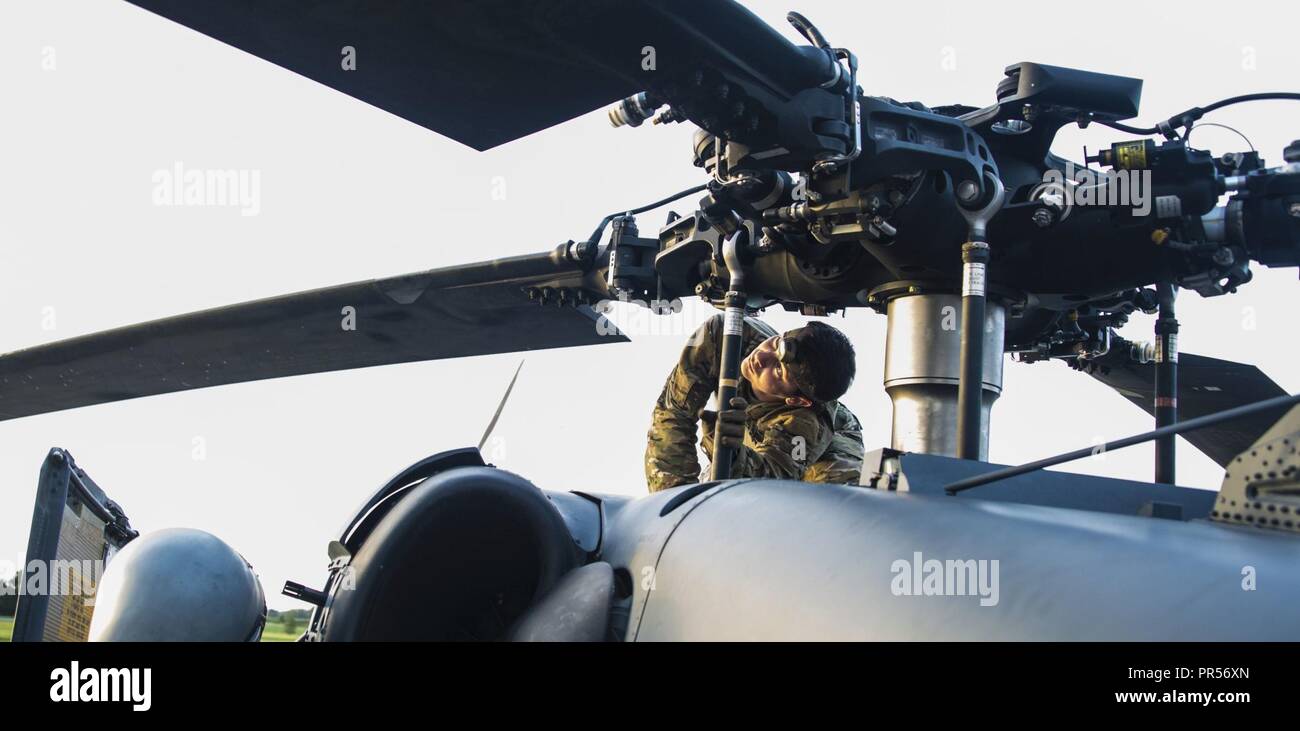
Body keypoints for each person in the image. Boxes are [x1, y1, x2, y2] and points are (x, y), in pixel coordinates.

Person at [645, 314, 864, 492]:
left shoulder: (805, 423)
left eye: (778, 371)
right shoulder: (725, 335)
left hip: (831, 444)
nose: (761, 357)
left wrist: (732, 455)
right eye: (776, 343)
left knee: (826, 500)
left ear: (795, 399)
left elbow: (774, 479)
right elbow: (672, 415)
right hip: (753, 430)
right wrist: (676, 501)